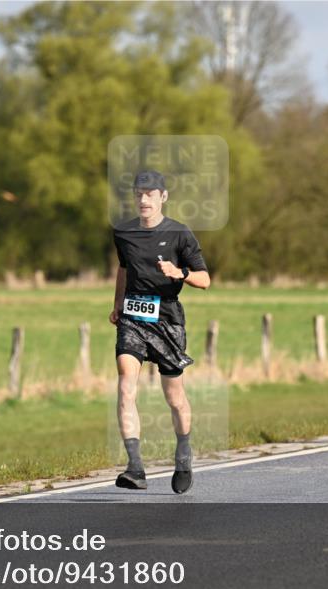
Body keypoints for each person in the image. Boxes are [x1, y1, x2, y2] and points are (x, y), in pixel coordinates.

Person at [110, 170, 210, 493]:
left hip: (167, 319)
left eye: (150, 194)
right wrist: (118, 304)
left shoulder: (180, 234)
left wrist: (179, 272)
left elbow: (205, 280)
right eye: (139, 194)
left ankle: (183, 453)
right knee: (126, 384)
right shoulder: (123, 233)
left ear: (163, 197)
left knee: (174, 396)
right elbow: (124, 268)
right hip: (133, 319)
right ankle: (135, 467)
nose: (143, 200)